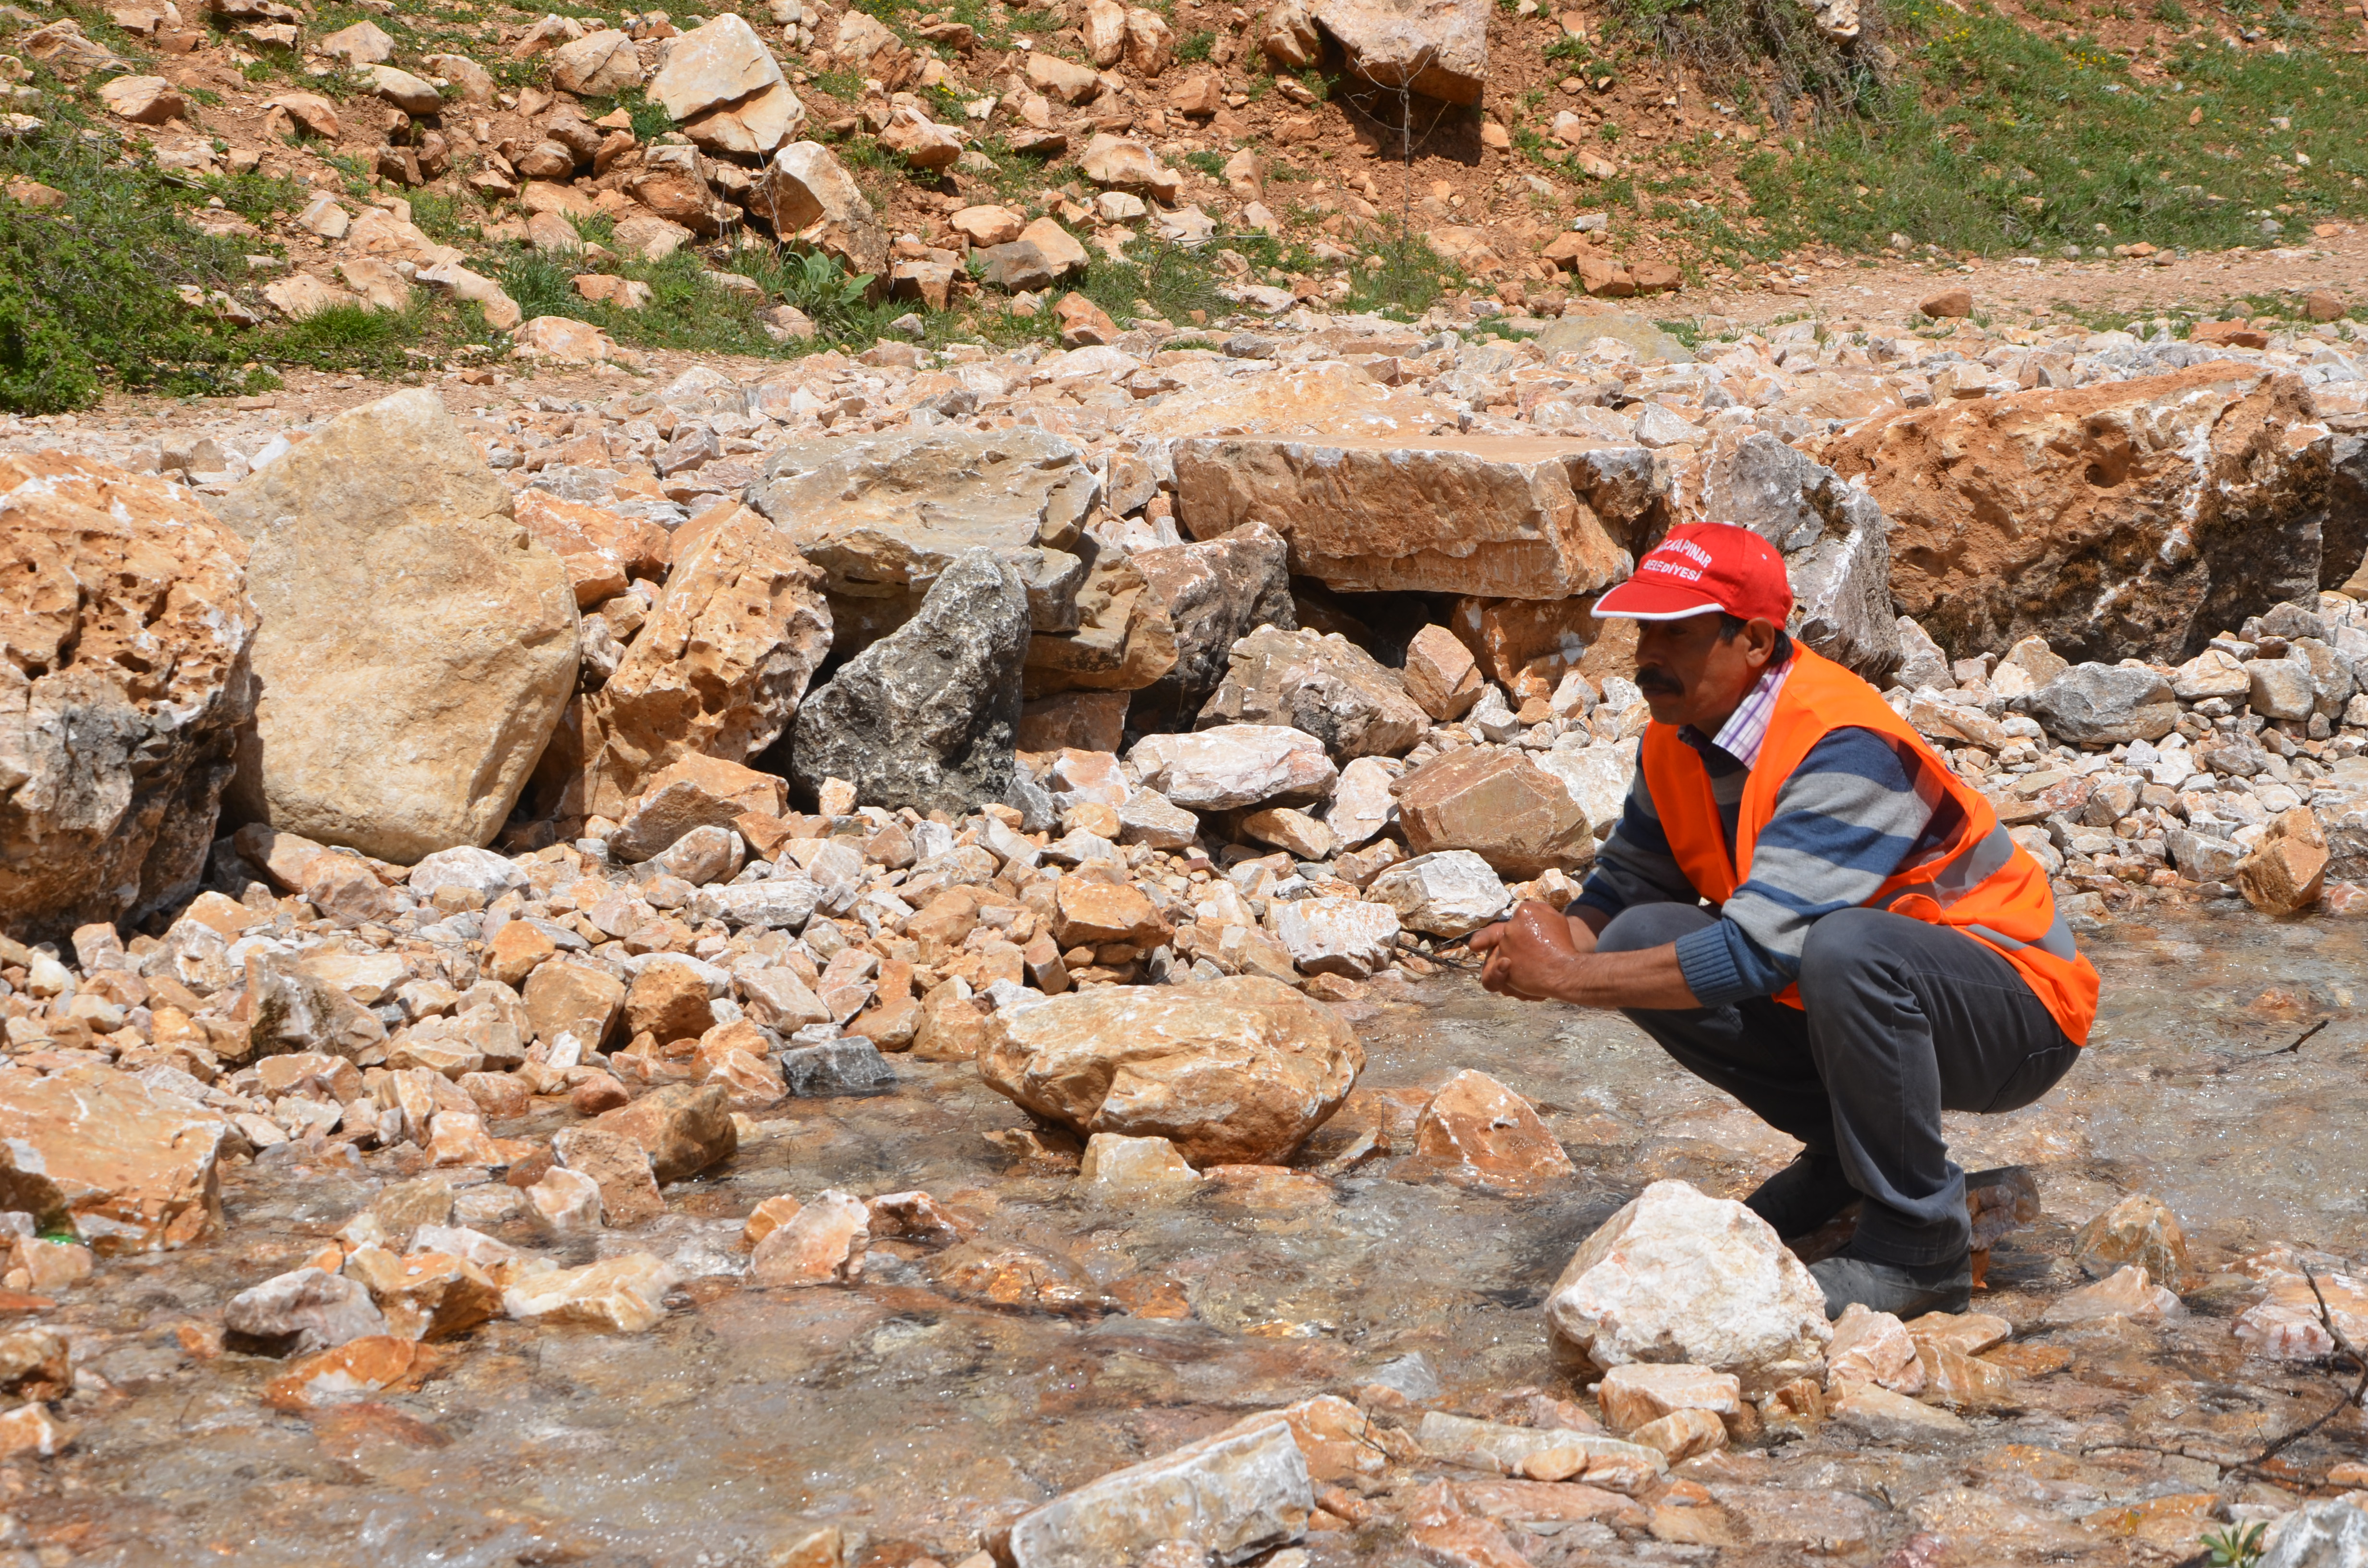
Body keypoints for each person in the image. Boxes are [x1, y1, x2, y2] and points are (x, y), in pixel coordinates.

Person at [1468, 522, 2098, 1316]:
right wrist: (1553, 938)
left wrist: (1564, 977)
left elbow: (1759, 956)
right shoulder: (1678, 736)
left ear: (1756, 642)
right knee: (1637, 939)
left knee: (1847, 948)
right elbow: (1629, 885)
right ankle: (1845, 1159)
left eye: (1676, 634)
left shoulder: (1845, 743)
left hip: (2024, 1010)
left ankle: (1920, 1247)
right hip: (1884, 993)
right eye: (1643, 630)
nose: (1646, 655)